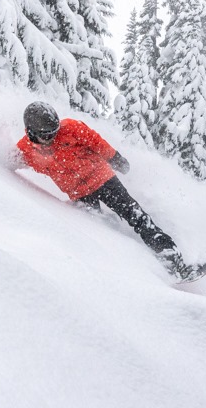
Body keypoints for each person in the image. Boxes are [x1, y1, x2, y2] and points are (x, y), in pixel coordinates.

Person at [10, 101, 190, 278]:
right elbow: (5, 161)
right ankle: (139, 264)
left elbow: (97, 142)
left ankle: (175, 263)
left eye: (55, 133)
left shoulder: (71, 128)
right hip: (79, 195)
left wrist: (115, 158)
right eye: (47, 136)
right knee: (102, 228)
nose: (52, 139)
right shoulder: (25, 150)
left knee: (137, 216)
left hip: (104, 180)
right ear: (31, 133)